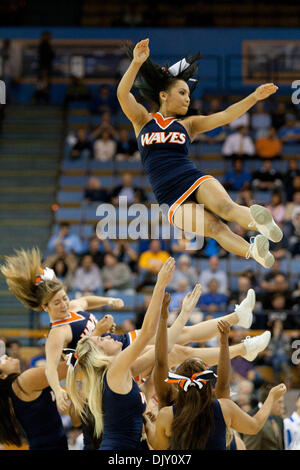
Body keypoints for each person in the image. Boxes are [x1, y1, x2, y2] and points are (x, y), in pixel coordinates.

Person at [117, 38, 282, 269]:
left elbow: (225, 116)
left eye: (188, 94)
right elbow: (123, 95)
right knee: (215, 229)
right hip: (169, 197)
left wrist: (253, 97)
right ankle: (254, 252)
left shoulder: (188, 124)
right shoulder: (142, 120)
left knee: (227, 208)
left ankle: (264, 225)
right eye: (182, 93)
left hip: (192, 178)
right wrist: (136, 63)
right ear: (163, 95)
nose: (188, 98)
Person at [66, 257, 176, 450]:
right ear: (99, 355)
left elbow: (161, 351)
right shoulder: (115, 369)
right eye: (101, 340)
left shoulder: (117, 371)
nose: (108, 337)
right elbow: (148, 332)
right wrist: (160, 284)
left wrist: (180, 315)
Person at [0, 248, 125, 413]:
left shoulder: (72, 307)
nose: (64, 304)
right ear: (45, 307)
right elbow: (52, 368)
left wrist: (110, 300)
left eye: (64, 298)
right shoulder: (58, 333)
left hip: (117, 346)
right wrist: (58, 391)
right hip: (102, 370)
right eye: (57, 303)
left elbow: (85, 301)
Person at [144, 324, 286, 449]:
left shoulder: (167, 415)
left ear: (179, 387)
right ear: (207, 384)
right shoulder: (224, 407)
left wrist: (149, 426)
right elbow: (254, 426)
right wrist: (271, 397)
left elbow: (158, 447)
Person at [0, 352, 69, 450]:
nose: (4, 356)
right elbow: (69, 367)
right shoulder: (24, 381)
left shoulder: (17, 386)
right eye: (0, 360)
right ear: (2, 376)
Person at [242, 383, 285, 450]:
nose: (282, 406)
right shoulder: (253, 420)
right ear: (269, 401)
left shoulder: (279, 419)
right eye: (279, 402)